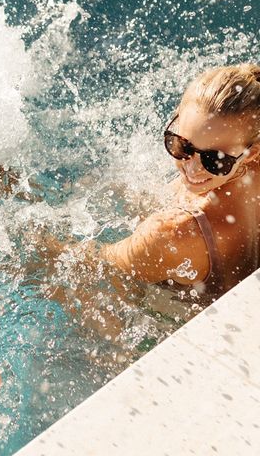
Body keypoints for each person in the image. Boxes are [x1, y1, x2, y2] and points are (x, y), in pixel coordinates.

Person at [99, 63, 260, 299]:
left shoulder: (171, 234)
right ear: (175, 122)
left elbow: (97, 266)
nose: (192, 170)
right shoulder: (248, 152)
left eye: (214, 159)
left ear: (251, 153)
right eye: (182, 146)